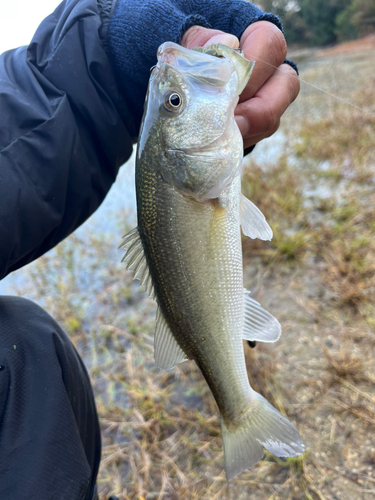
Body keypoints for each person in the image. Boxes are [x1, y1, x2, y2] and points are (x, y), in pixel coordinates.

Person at [0, 0, 299, 498]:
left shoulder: (196, 175)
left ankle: (239, 409)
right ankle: (239, 410)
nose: (175, 95)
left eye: (173, 104)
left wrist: (110, 52)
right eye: (176, 105)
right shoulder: (194, 177)